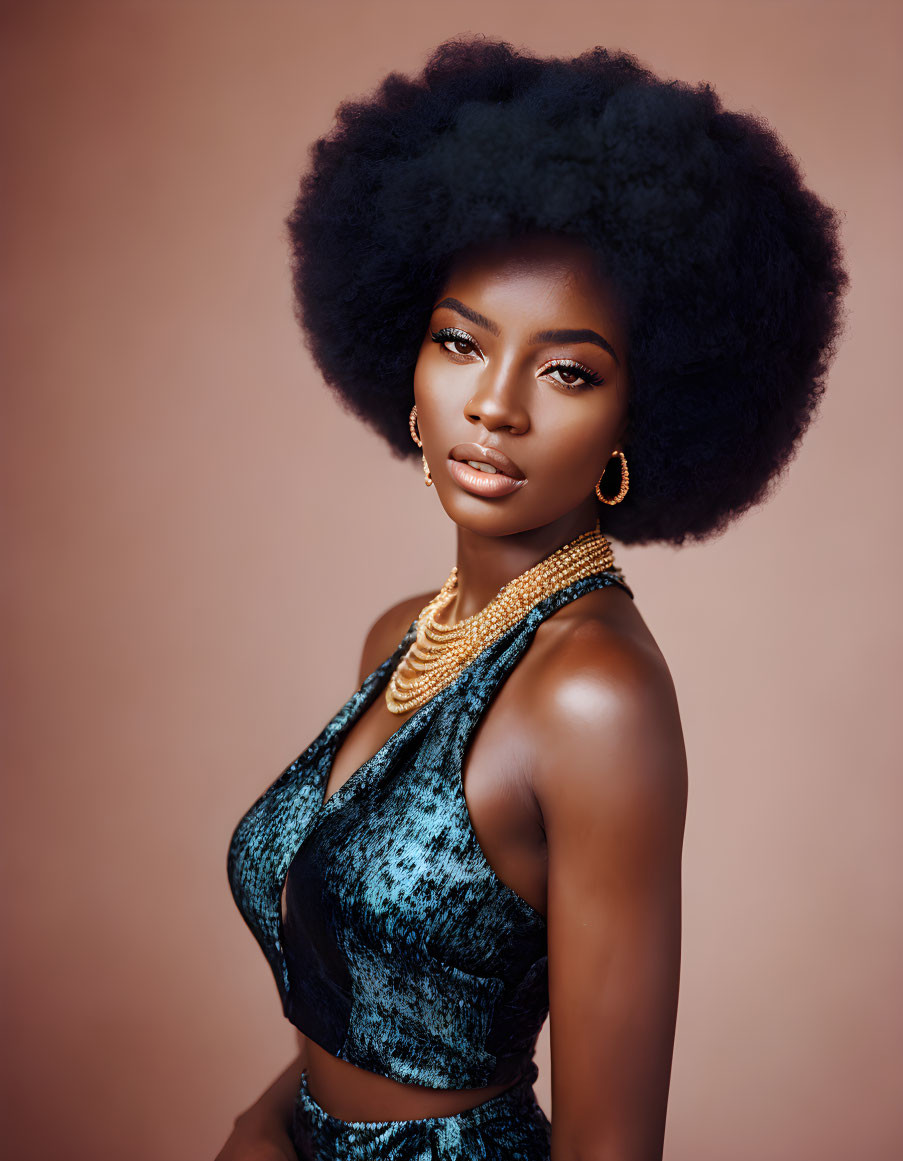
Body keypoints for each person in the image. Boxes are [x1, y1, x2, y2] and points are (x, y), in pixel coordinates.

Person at [217, 34, 848, 1161]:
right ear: (406, 369)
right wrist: (263, 1127)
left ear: (634, 419)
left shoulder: (595, 697)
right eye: (461, 343)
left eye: (567, 370)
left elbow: (613, 1146)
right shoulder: (403, 636)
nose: (495, 405)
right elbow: (365, 981)